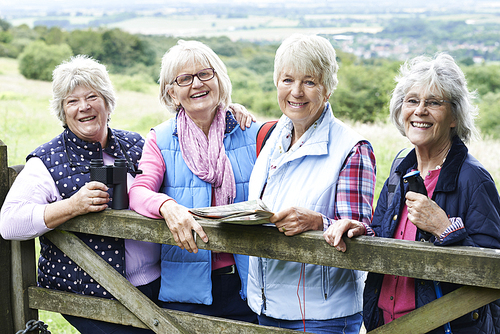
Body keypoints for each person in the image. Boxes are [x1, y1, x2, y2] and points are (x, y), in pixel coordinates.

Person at [324, 53, 500, 333]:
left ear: (454, 116)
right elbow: (384, 234)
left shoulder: (474, 179)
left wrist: (445, 228)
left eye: (433, 102)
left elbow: (494, 273)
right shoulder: (399, 170)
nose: (420, 110)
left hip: (440, 326)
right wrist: (359, 230)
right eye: (412, 101)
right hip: (385, 324)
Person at [0, 55, 160, 333]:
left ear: (107, 103)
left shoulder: (136, 145)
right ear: (62, 111)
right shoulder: (47, 160)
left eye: (92, 96)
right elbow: (9, 222)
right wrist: (72, 206)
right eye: (71, 101)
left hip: (160, 284)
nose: (83, 107)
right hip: (90, 294)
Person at [246, 34, 376, 334]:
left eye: (309, 82)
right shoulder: (270, 136)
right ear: (276, 82)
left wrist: (319, 222)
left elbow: (361, 231)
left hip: (323, 317)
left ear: (327, 88)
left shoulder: (352, 148)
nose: (296, 92)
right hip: (265, 307)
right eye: (287, 79)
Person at [129, 40, 259, 323]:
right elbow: (138, 191)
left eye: (205, 74)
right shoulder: (161, 139)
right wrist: (167, 206)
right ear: (172, 93)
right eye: (184, 79)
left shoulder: (251, 132)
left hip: (250, 285)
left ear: (219, 79)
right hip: (188, 287)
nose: (197, 84)